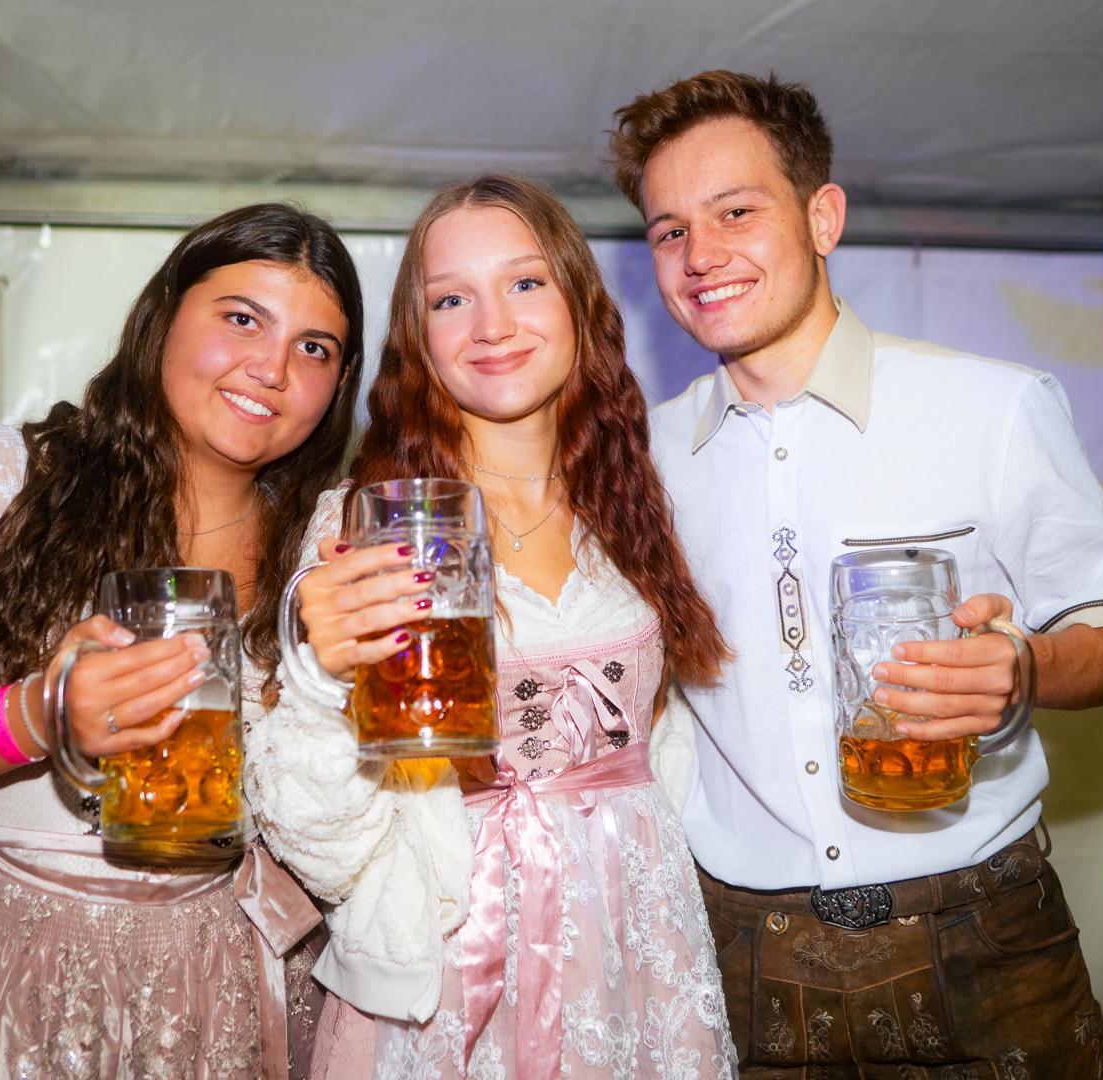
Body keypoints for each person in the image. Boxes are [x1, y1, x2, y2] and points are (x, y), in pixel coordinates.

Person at [608, 71, 1103, 1076]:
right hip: (741, 951)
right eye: (668, 231)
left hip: (983, 936)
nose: (701, 257)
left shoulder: (990, 408)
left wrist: (1025, 669)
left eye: (736, 212)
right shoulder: (643, 460)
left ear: (823, 216)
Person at [0, 203, 364, 1079]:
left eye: (315, 348)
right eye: (242, 318)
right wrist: (36, 715)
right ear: (163, 315)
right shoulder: (15, 480)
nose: (273, 368)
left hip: (223, 999)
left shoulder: (324, 547)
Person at [249, 174, 737, 1078]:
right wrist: (321, 676)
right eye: (450, 299)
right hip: (448, 968)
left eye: (524, 283)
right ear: (418, 338)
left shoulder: (640, 498)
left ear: (580, 302)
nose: (492, 325)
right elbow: (313, 828)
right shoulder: (368, 525)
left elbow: (676, 751)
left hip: (635, 957)